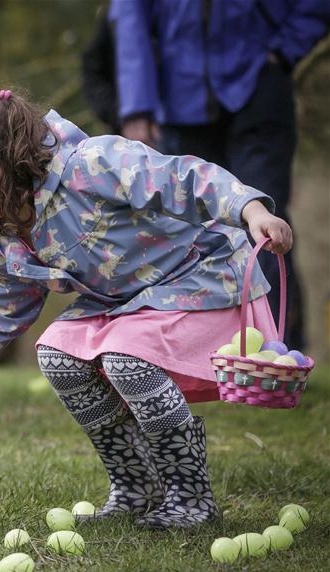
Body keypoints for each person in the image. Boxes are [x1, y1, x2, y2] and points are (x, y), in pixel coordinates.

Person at [0, 88, 293, 529]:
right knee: (59, 354)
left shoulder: (94, 165)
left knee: (128, 357)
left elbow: (183, 178)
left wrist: (249, 209)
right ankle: (136, 485)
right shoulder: (4, 238)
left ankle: (190, 497)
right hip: (126, 304)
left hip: (199, 278)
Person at [109, 1, 330, 353]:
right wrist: (138, 105)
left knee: (265, 221)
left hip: (259, 85)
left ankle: (274, 355)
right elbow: (130, 15)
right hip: (180, 98)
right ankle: (196, 353)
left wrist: (285, 51)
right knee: (187, 234)